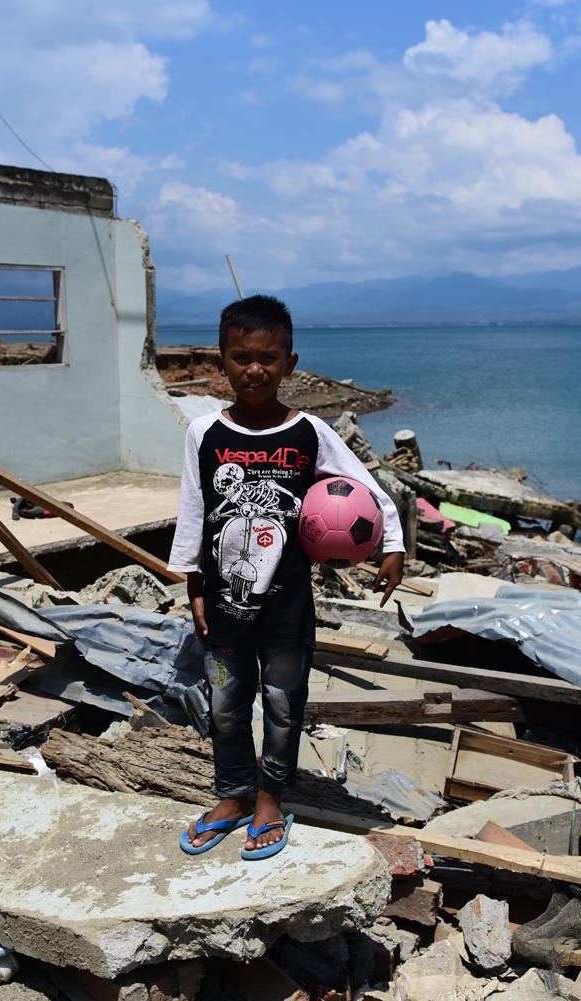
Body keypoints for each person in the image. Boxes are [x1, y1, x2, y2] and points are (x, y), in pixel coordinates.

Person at [168, 294, 405, 860]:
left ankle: (272, 798)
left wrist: (391, 544)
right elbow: (194, 513)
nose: (255, 369)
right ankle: (233, 796)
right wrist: (194, 587)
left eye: (269, 358)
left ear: (290, 363)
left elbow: (363, 488)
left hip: (288, 606)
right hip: (224, 605)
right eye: (242, 357)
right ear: (221, 361)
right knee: (225, 705)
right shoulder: (204, 433)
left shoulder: (309, 432)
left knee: (282, 702)